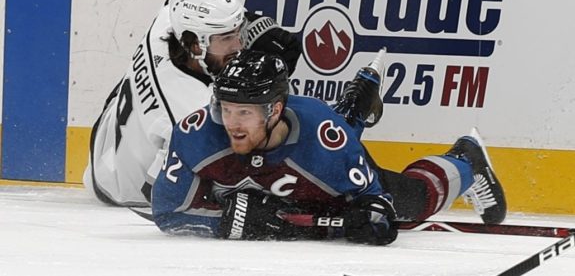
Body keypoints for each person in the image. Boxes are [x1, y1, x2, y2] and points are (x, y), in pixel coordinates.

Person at [151, 50, 507, 245]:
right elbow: (168, 212)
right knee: (336, 131)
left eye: (244, 112)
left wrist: (367, 220)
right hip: (307, 155)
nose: (231, 123)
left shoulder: (325, 144)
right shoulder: (196, 135)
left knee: (411, 203)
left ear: (274, 110)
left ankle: (465, 160)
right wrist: (223, 221)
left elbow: (379, 213)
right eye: (226, 109)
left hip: (321, 171)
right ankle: (355, 106)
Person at [84, 0, 303, 206]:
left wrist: (254, 24)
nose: (239, 46)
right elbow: (159, 192)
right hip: (123, 188)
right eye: (226, 37)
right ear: (195, 45)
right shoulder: (190, 115)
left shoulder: (167, 21)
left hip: (109, 132)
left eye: (239, 32)